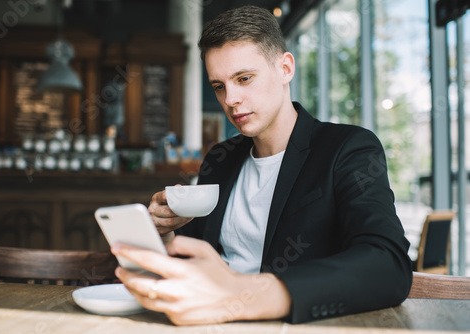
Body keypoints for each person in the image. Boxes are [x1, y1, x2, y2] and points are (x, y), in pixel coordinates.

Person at [111, 5, 413, 326]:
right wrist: (164, 234)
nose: (230, 99)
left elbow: (388, 264)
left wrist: (245, 296)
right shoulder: (220, 158)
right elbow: (196, 259)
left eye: (244, 78)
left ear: (285, 68)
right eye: (219, 86)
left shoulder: (347, 148)